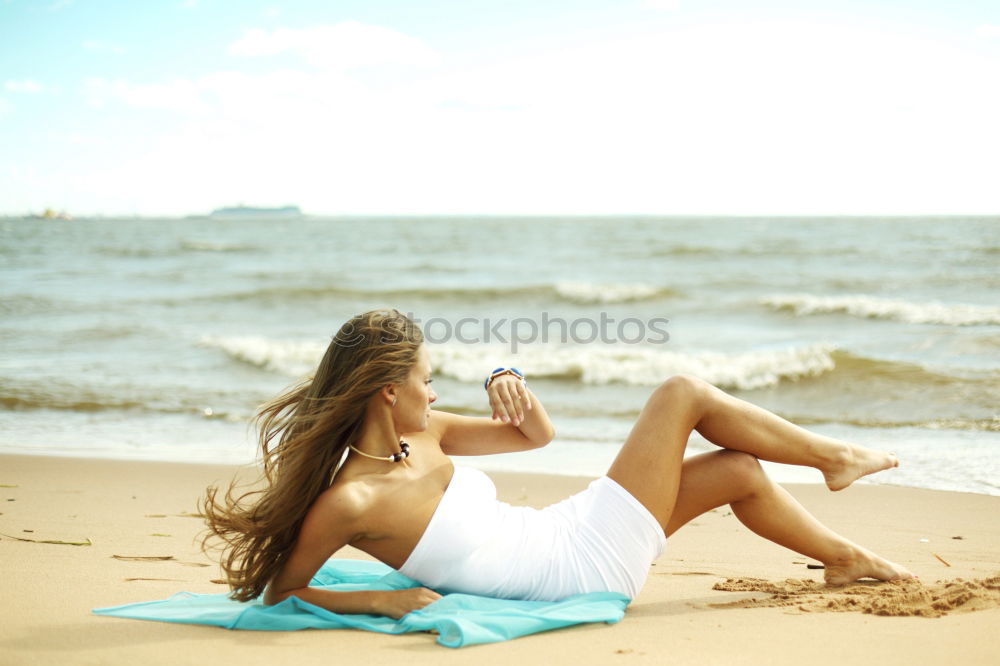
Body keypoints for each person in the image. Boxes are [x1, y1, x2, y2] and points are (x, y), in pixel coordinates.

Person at [202, 309, 913, 620]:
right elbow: (284, 595)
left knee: (737, 472)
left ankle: (847, 558)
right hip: (569, 573)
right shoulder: (350, 502)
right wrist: (380, 598)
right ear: (390, 390)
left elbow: (532, 438)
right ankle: (835, 458)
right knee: (682, 394)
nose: (435, 389)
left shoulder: (432, 434)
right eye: (428, 376)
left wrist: (508, 380)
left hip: (564, 531)